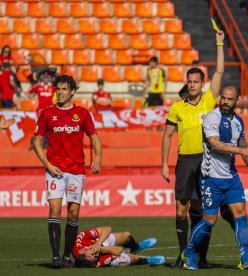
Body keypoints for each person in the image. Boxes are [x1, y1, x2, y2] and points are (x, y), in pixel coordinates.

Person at [162, 29, 231, 268]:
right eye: (189, 81)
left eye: (195, 81)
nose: (192, 84)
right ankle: (182, 255)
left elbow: (220, 71)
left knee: (203, 211)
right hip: (185, 161)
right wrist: (163, 163)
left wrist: (219, 43)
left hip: (206, 161)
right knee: (181, 211)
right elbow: (167, 135)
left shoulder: (209, 100)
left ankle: (201, 257)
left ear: (202, 84)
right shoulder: (177, 108)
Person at [181, 86, 248, 270]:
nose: (225, 102)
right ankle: (189, 252)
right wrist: (242, 150)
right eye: (223, 98)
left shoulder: (238, 122)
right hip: (211, 178)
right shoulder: (212, 117)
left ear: (236, 101)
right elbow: (215, 144)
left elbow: (243, 146)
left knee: (241, 215)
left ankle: (245, 260)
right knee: (210, 220)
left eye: (230, 99)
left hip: (231, 177)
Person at [33, 75, 102, 269]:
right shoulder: (47, 113)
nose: (60, 93)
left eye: (64, 89)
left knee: (73, 214)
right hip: (54, 170)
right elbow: (37, 141)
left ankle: (66, 256)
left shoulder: (82, 113)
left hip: (76, 171)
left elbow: (94, 137)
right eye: (58, 89)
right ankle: (55, 257)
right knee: (54, 209)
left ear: (72, 91)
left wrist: (98, 157)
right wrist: (47, 164)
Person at [73, 226, 166, 268]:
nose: (94, 254)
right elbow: (119, 250)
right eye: (94, 257)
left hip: (98, 242)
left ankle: (136, 247)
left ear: (82, 251)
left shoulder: (80, 239)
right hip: (105, 251)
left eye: (90, 254)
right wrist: (101, 249)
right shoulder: (98, 261)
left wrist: (98, 243)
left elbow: (107, 229)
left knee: (127, 235)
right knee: (132, 258)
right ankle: (148, 260)